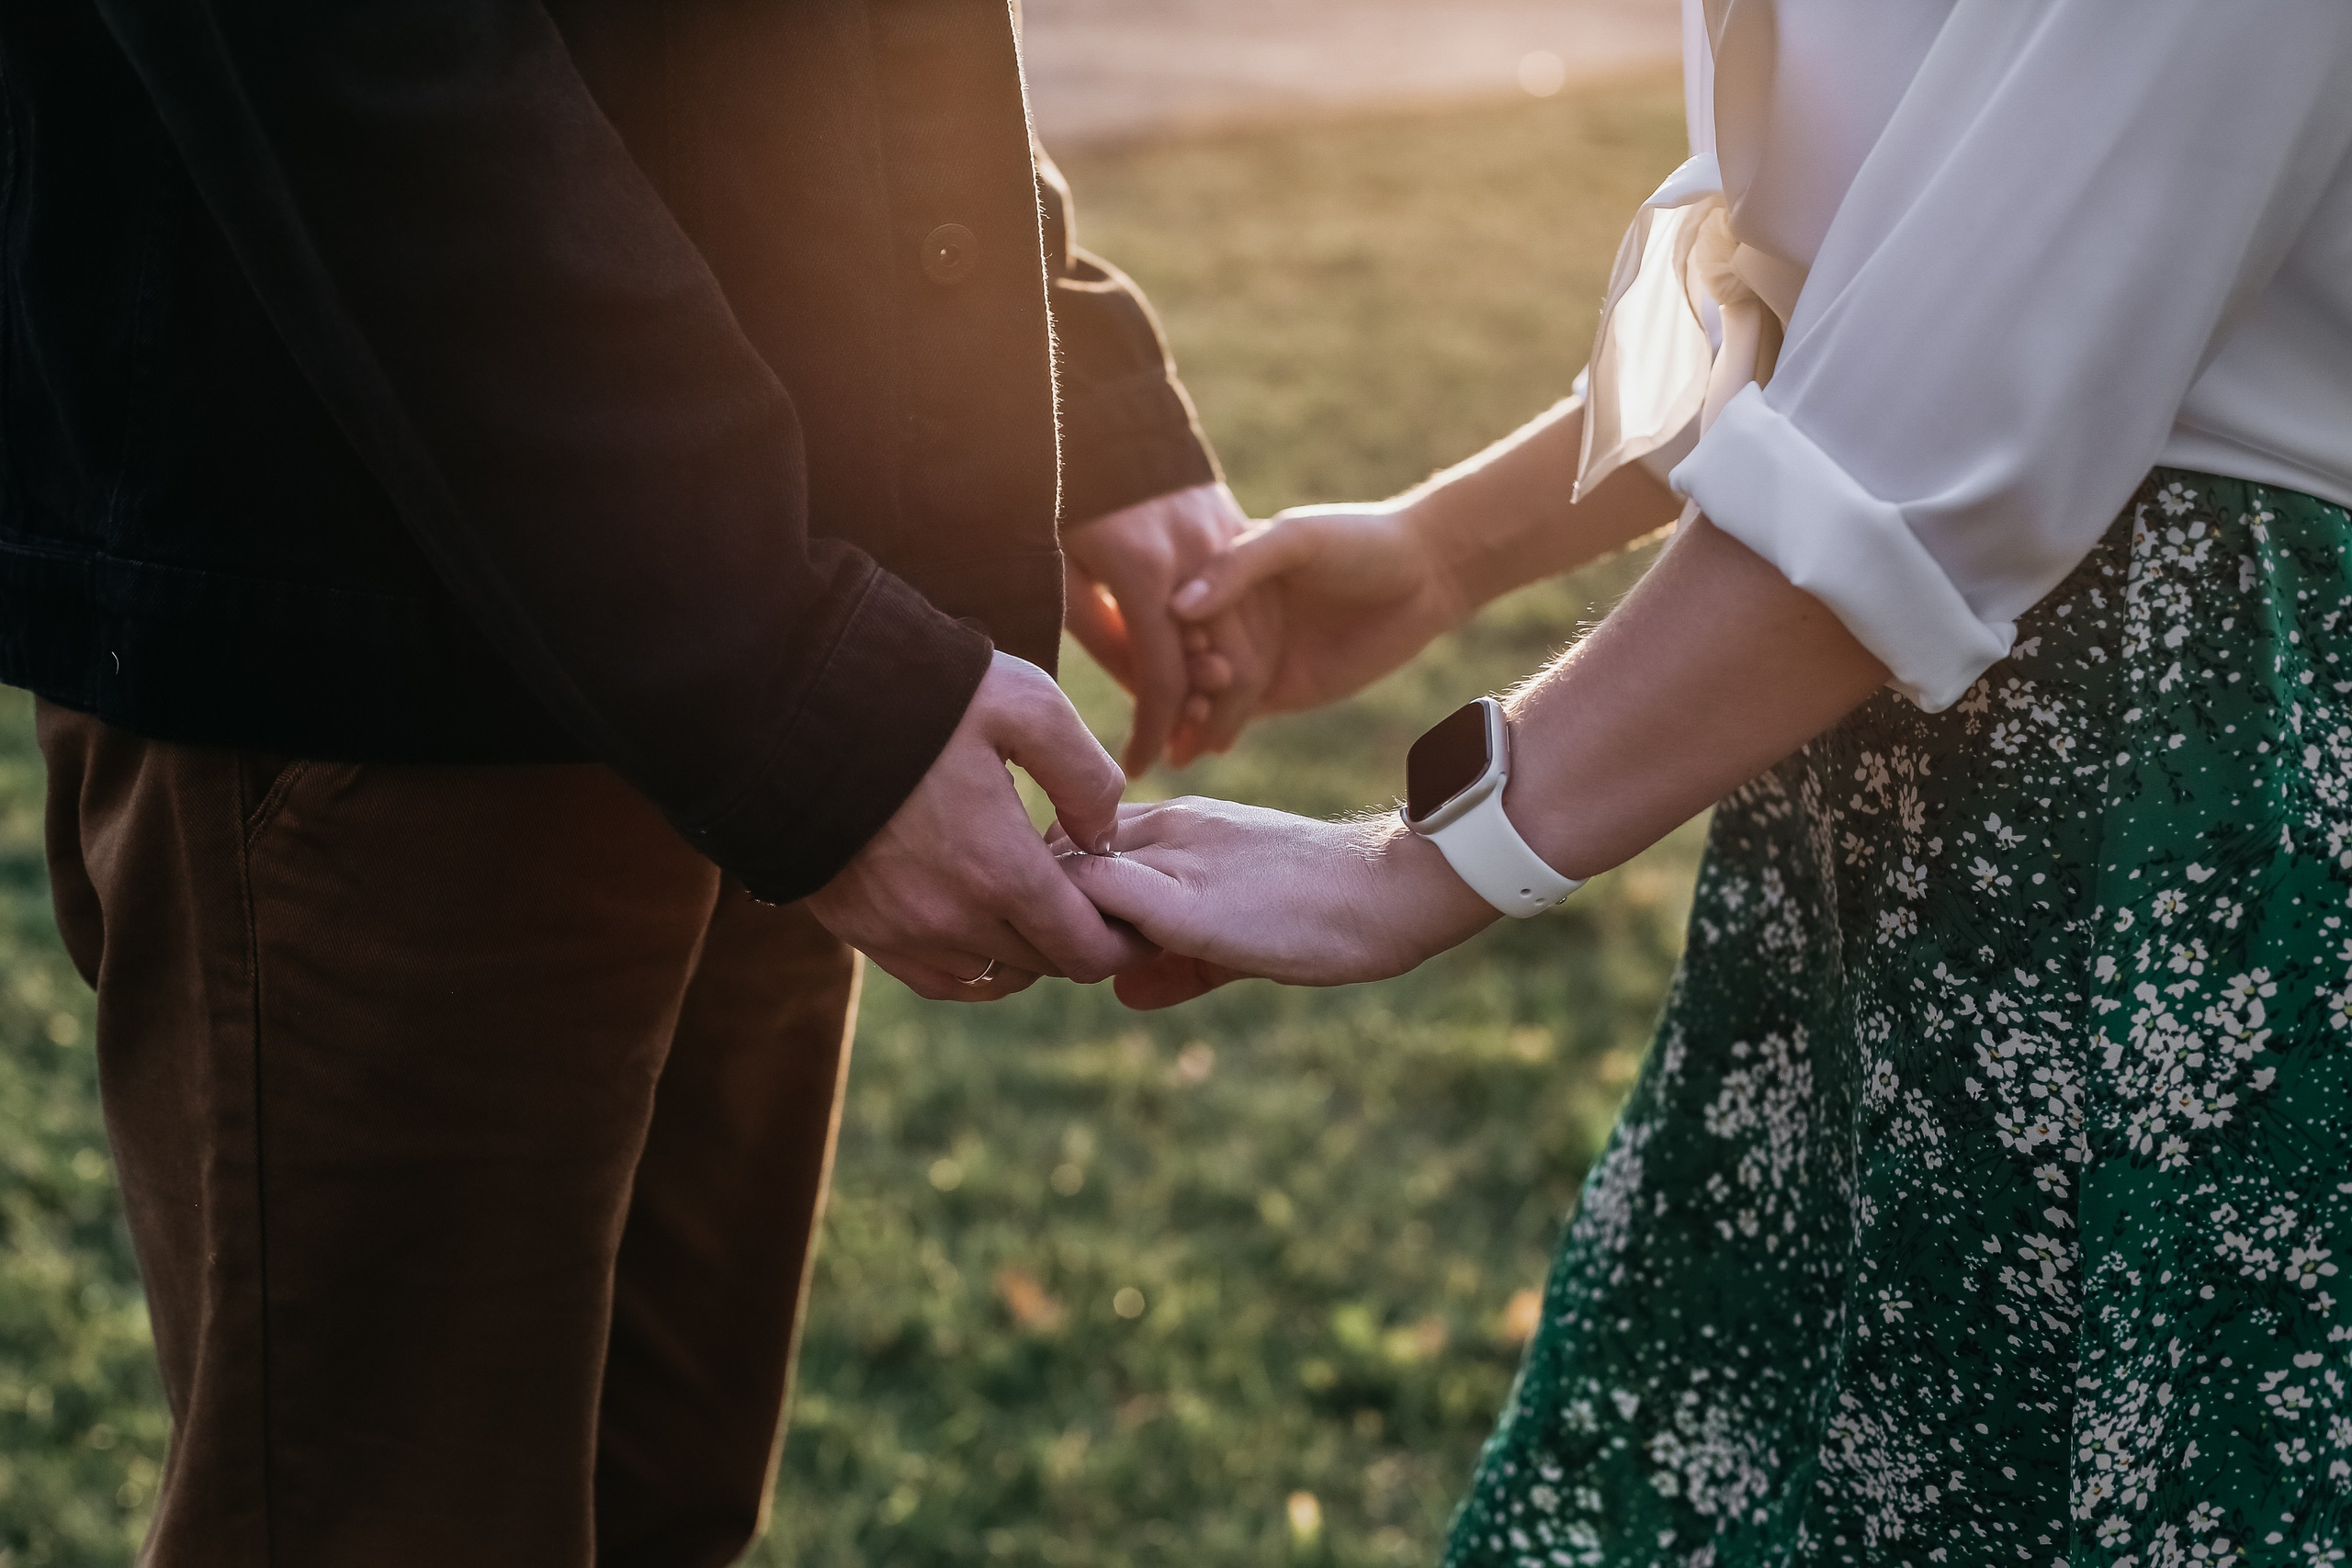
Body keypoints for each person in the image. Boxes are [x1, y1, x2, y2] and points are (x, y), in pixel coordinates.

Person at [1072, 0, 2352, 1557]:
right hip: (1891, 821)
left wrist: (1421, 862)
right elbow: (1859, 291)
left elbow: (1949, 415)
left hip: (2182, 823)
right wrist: (1443, 546)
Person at [0, 3, 1241, 1562]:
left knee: (665, 1510)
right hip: (381, 628)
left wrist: (1054, 358)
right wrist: (778, 676)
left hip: (774, 570)